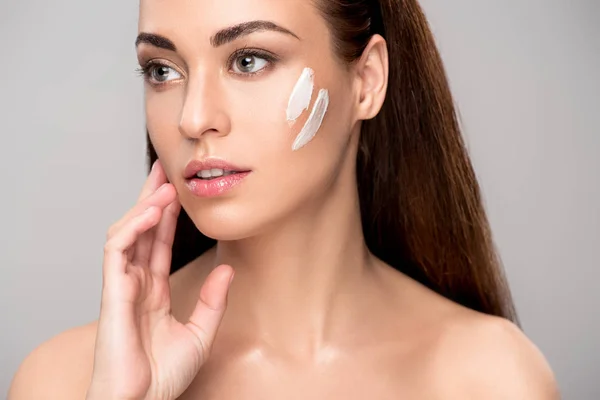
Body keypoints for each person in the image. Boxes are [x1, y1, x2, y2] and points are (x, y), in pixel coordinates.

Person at [9, 0, 560, 399]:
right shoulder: (63, 380)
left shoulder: (489, 379)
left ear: (366, 81)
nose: (193, 117)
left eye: (249, 60)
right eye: (162, 70)